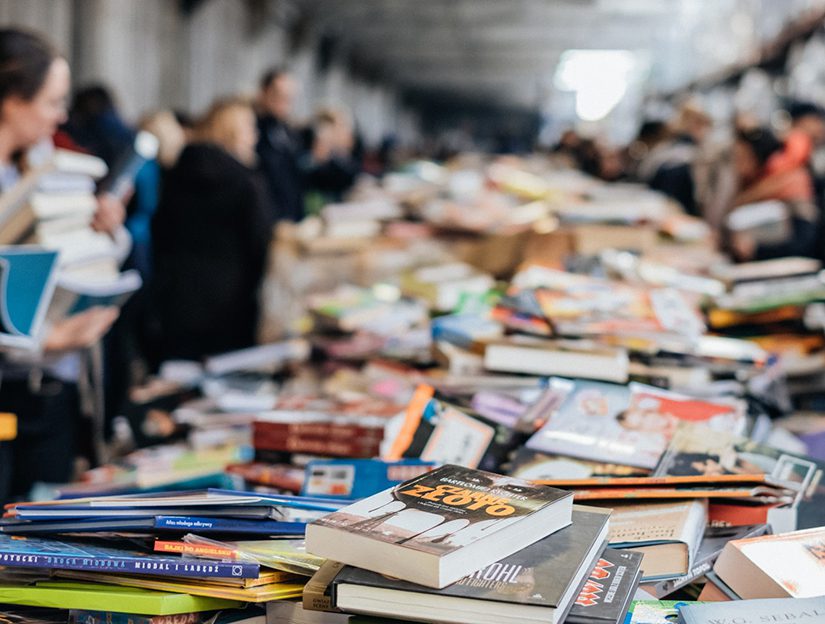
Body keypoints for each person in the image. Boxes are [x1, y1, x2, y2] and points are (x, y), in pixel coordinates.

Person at [0, 28, 120, 502]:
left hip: (57, 384)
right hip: (19, 379)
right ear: (12, 99)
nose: (62, 115)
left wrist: (106, 229)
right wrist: (41, 340)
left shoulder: (41, 170)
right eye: (52, 101)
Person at [152, 98, 273, 362]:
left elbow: (160, 231)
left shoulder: (177, 173)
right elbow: (260, 244)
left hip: (177, 296)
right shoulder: (246, 183)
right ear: (233, 133)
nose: (255, 136)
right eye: (250, 128)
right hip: (231, 303)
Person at [728, 126, 819, 261]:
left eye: (742, 158)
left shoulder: (791, 182)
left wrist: (756, 249)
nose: (737, 166)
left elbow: (805, 244)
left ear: (759, 157)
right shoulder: (746, 185)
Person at [255, 67, 305, 222]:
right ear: (264, 92)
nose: (283, 102)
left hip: (290, 215)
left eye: (289, 98)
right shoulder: (253, 128)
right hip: (265, 215)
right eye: (278, 95)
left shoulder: (289, 132)